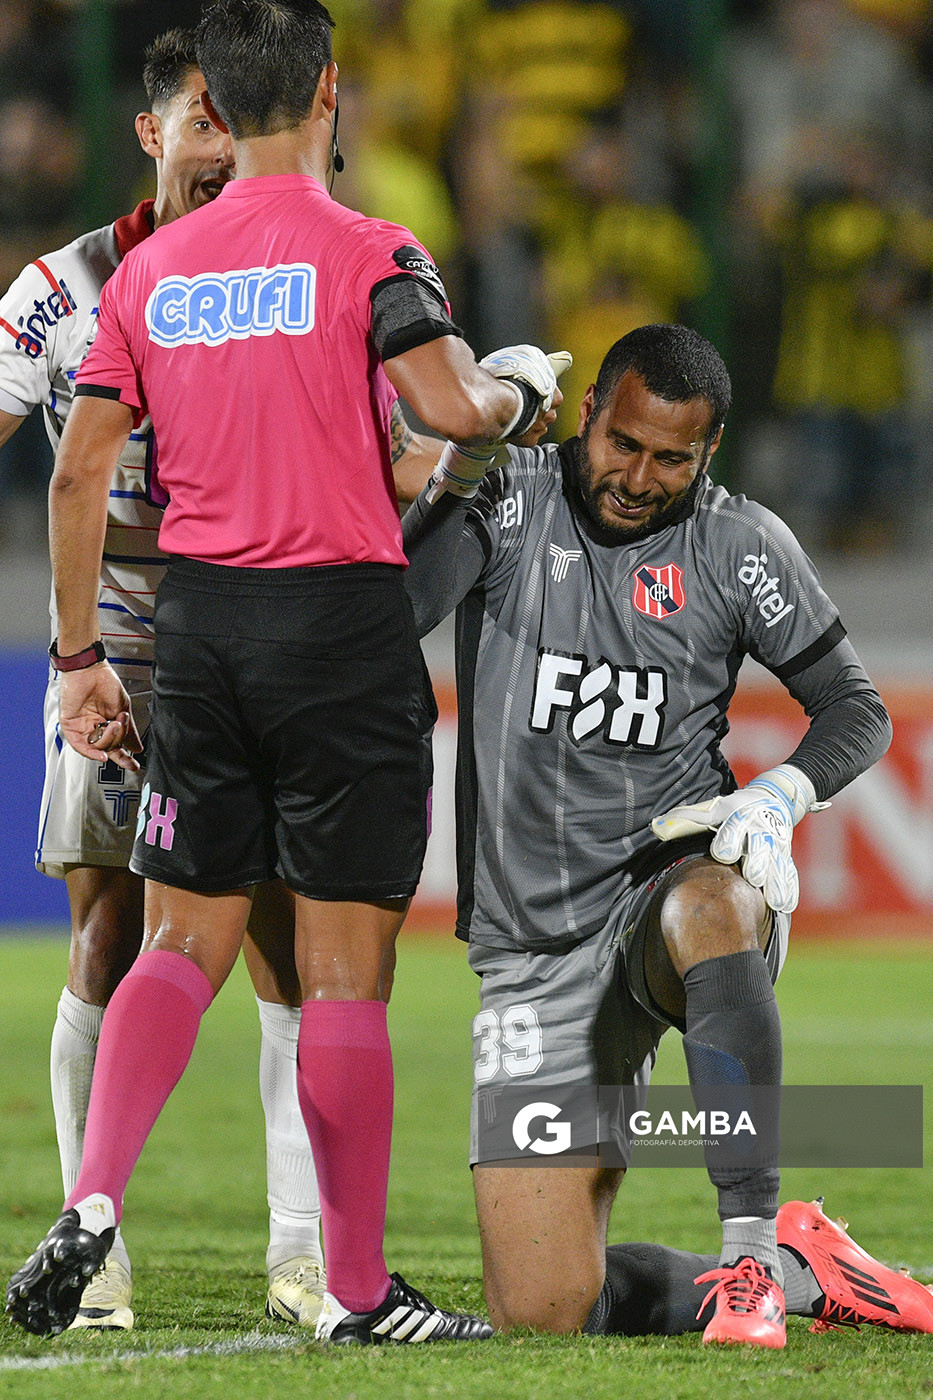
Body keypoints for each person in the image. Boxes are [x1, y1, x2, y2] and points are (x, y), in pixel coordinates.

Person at [5, 0, 560, 1346]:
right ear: (326, 92)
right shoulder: (372, 251)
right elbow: (441, 418)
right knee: (340, 971)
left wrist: (79, 656)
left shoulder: (145, 277)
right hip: (337, 634)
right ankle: (356, 1289)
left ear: (216, 108)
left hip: (190, 637)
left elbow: (80, 469)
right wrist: (517, 396)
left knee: (176, 937)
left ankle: (92, 1201)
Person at [400, 322, 933, 1347]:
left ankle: (747, 1253)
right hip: (531, 953)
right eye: (625, 443)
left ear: (711, 450)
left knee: (715, 894)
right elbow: (398, 612)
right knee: (548, 1313)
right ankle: (806, 1268)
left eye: (673, 457)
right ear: (590, 406)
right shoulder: (511, 497)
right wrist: (462, 464)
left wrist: (776, 798)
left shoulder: (739, 545)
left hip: (662, 899)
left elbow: (855, 709)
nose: (641, 476)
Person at [0, 28, 336, 1332]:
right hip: (112, 632)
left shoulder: (298, 265)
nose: (217, 148)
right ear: (151, 134)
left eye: (233, 123)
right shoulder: (65, 286)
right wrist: (81, 657)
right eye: (197, 122)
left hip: (249, 632)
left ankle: (301, 1259)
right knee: (102, 929)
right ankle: (99, 1248)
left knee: (283, 940)